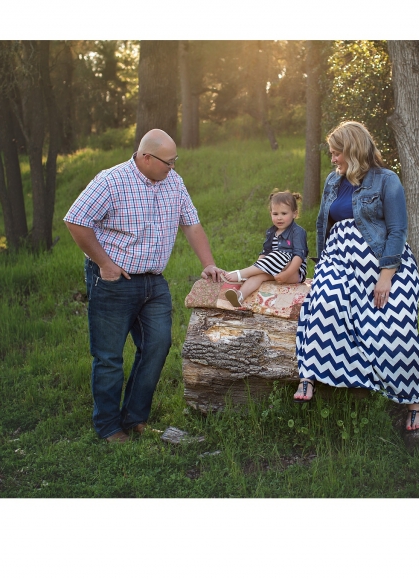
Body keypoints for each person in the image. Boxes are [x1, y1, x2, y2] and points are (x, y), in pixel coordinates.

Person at [64, 129, 224, 443]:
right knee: (109, 357)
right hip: (113, 280)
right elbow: (76, 220)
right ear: (146, 157)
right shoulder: (111, 181)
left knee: (157, 345)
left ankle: (135, 417)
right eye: (168, 162)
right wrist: (104, 263)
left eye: (176, 161)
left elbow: (190, 223)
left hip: (154, 282)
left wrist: (208, 263)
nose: (173, 168)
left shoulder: (173, 182)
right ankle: (109, 427)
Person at [294, 121, 419, 431]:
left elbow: (397, 230)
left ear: (353, 151)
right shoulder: (332, 182)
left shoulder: (386, 180)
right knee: (323, 304)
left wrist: (386, 276)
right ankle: (309, 375)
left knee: (398, 326)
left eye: (337, 153)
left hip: (383, 264)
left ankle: (412, 406)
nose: (333, 159)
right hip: (339, 262)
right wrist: (322, 266)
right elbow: (324, 229)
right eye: (331, 153)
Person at [222, 190, 308, 307]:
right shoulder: (272, 232)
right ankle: (239, 296)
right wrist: (258, 267)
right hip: (276, 268)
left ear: (294, 213)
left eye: (284, 213)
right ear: (270, 213)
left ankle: (241, 273)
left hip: (294, 271)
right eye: (275, 214)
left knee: (279, 254)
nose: (279, 218)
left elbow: (299, 256)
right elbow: (265, 252)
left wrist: (287, 273)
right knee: (258, 276)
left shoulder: (297, 231)